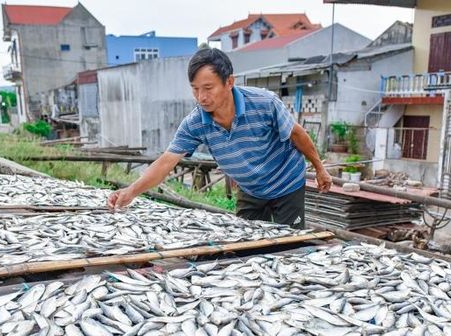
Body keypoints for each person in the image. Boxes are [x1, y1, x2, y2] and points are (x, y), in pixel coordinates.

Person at [107, 48, 332, 228]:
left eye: (208, 88)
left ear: (229, 82)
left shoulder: (265, 103)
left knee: (289, 247)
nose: (201, 97)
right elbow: (167, 161)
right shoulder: (195, 122)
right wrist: (131, 191)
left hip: (286, 183)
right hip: (250, 189)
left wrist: (320, 168)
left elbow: (297, 134)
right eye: (195, 89)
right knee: (246, 246)